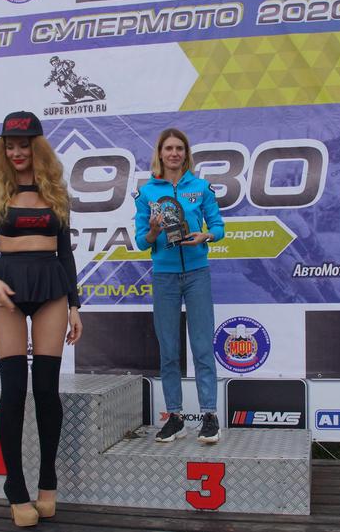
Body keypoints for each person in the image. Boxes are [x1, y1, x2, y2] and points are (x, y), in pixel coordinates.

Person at [0, 111, 82, 527]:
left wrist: (75, 305)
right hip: (7, 292)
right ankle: (15, 489)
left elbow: (65, 254)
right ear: (3, 149)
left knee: (47, 391)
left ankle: (48, 483)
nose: (16, 152)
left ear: (37, 146)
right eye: (10, 145)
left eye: (24, 145)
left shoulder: (55, 191)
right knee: (13, 392)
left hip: (52, 289)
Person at [133, 128, 225, 444]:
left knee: (202, 347)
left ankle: (210, 416)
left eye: (179, 148)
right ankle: (175, 417)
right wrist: (154, 231)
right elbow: (141, 241)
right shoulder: (147, 193)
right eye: (168, 148)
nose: (174, 153)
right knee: (169, 350)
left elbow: (218, 226)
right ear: (160, 153)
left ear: (186, 154)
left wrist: (206, 236)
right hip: (165, 277)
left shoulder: (200, 187)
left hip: (197, 273)